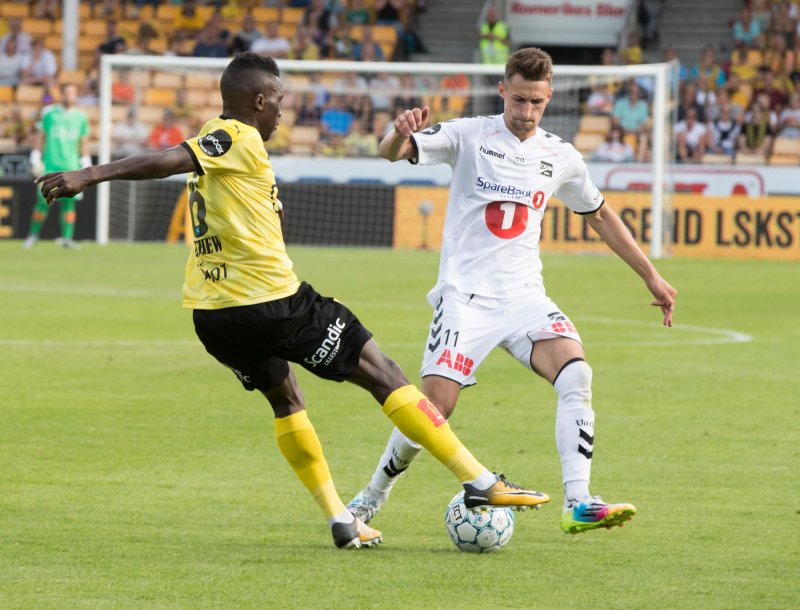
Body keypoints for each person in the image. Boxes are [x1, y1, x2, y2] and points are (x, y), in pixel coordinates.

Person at [34, 52, 547, 550]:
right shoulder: (237, 135)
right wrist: (88, 175)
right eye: (278, 98)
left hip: (213, 316)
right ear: (258, 101)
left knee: (287, 401)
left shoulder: (223, 144)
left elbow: (199, 169)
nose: (284, 109)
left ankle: (341, 519)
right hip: (272, 303)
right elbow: (170, 157)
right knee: (383, 372)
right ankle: (478, 479)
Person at [346, 47, 677, 536]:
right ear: (502, 90)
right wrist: (398, 132)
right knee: (434, 408)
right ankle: (371, 496)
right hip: (466, 298)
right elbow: (390, 153)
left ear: (549, 98)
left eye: (536, 103)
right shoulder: (468, 135)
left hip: (525, 297)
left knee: (577, 373)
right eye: (518, 100)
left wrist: (651, 276)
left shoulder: (559, 156)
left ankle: (579, 501)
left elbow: (601, 215)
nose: (526, 113)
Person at [23, 83, 91, 250]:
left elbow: (84, 140)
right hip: (51, 165)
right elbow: (40, 135)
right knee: (43, 201)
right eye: (66, 93)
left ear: (76, 96)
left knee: (69, 203)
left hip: (71, 166)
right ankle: (33, 235)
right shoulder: (50, 114)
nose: (69, 96)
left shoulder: (81, 117)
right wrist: (36, 156)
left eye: (72, 93)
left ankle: (67, 239)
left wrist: (86, 159)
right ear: (61, 94)